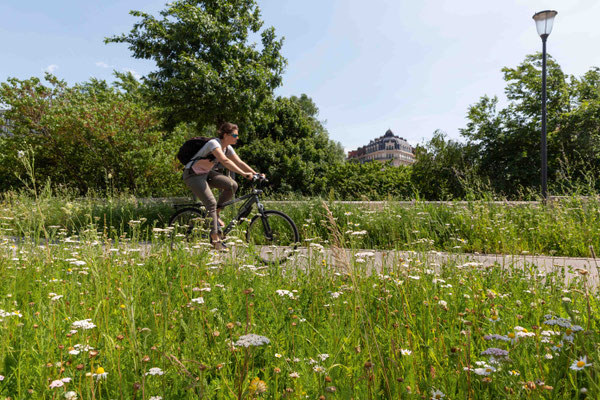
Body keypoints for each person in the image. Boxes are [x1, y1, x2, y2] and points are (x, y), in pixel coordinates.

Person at [182, 122, 263, 250]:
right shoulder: (214, 144)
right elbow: (225, 161)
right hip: (193, 175)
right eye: (234, 135)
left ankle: (216, 213)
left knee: (232, 185)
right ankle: (215, 239)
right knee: (211, 203)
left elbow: (239, 162)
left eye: (237, 136)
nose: (237, 138)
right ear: (225, 135)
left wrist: (255, 173)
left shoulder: (227, 148)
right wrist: (243, 174)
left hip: (206, 173)